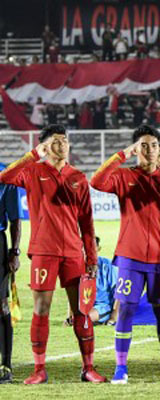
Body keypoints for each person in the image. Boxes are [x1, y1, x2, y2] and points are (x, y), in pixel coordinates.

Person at [0, 124, 105, 384]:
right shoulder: (33, 171)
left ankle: (88, 368)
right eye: (56, 141)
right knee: (41, 310)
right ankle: (39, 370)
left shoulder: (79, 177)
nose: (63, 144)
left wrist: (91, 258)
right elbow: (4, 177)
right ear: (45, 146)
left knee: (81, 310)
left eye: (65, 140)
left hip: (73, 253)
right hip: (44, 252)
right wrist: (33, 154)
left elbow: (88, 223)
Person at [90, 125, 160, 384]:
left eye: (153, 145)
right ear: (136, 148)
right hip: (130, 258)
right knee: (126, 310)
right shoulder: (123, 177)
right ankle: (121, 369)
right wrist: (123, 155)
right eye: (143, 145)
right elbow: (96, 181)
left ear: (159, 149)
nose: (149, 150)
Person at [0, 162, 22, 384]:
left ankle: (5, 364)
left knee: (1, 305)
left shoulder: (6, 176)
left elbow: (15, 219)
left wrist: (15, 251)